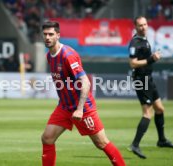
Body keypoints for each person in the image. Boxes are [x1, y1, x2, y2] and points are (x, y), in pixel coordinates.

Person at [41, 21, 125, 166]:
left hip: (82, 107)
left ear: (58, 36)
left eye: (51, 34)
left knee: (101, 142)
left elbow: (85, 82)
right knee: (47, 138)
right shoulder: (49, 56)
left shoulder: (68, 55)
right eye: (45, 34)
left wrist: (80, 109)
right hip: (64, 106)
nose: (47, 37)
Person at [128, 16, 173, 159]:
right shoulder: (135, 43)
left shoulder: (143, 40)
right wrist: (152, 59)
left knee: (160, 109)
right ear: (136, 27)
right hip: (141, 80)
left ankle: (161, 140)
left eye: (145, 24)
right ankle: (135, 145)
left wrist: (151, 60)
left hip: (148, 79)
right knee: (147, 113)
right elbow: (132, 63)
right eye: (140, 25)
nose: (143, 27)